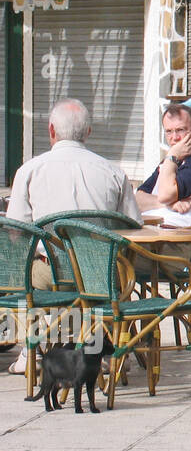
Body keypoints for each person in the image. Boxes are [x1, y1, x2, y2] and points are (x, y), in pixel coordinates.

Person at [5, 99, 142, 374]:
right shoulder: (114, 171)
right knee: (116, 278)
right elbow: (133, 228)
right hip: (103, 278)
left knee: (21, 275)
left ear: (51, 130)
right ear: (88, 132)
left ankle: (32, 350)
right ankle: (101, 351)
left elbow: (15, 231)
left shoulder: (30, 170)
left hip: (52, 273)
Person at [135, 103, 191, 227]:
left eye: (180, 130)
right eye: (169, 131)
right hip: (156, 230)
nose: (174, 137)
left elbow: (165, 195)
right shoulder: (171, 162)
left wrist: (172, 156)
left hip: (179, 237)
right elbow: (138, 199)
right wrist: (170, 204)